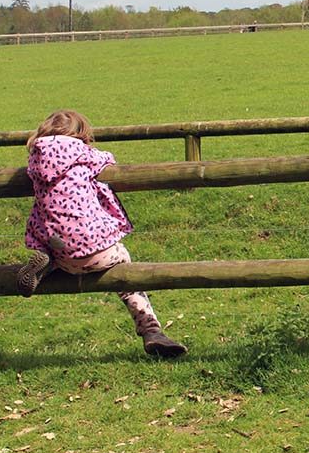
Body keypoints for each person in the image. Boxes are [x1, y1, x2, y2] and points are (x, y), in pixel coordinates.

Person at [17, 110, 187, 358]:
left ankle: (47, 265)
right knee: (126, 271)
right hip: (95, 251)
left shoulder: (35, 160)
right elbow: (109, 160)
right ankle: (151, 330)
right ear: (82, 133)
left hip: (58, 250)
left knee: (59, 247)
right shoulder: (84, 154)